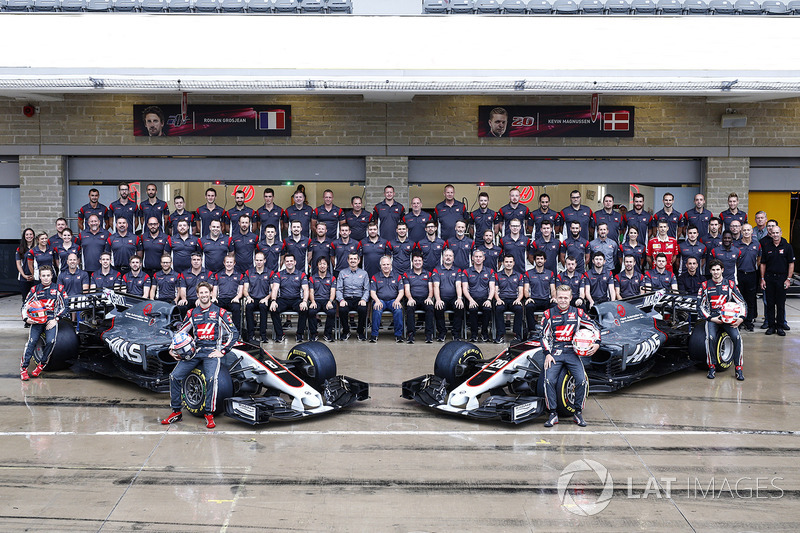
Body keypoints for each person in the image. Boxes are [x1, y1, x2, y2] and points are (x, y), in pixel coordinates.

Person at [161, 282, 239, 429]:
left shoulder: (219, 312)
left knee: (211, 379)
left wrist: (222, 350)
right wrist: (172, 348)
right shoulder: (192, 313)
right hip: (195, 351)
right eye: (200, 293)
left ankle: (209, 414)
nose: (203, 295)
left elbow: (234, 333)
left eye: (206, 292)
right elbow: (181, 333)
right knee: (174, 376)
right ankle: (176, 412)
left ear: (210, 294)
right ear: (197, 295)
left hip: (212, 351)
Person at [541, 285, 600, 427]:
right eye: (560, 297)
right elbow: (543, 336)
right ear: (555, 298)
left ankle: (578, 412)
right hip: (555, 352)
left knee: (582, 381)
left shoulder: (578, 313)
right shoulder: (548, 314)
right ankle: (553, 413)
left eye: (565, 298)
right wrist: (547, 354)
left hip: (572, 352)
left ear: (571, 298)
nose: (562, 300)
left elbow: (594, 327)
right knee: (548, 380)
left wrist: (597, 343)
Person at [698, 260, 746, 381]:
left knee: (737, 338)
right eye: (713, 270)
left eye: (718, 269)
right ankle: (712, 367)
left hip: (729, 319)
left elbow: (741, 302)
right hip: (713, 318)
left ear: (722, 270)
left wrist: (741, 318)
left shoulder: (730, 284)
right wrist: (711, 318)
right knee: (711, 338)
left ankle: (738, 368)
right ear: (710, 271)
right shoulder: (705, 286)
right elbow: (700, 306)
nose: (715, 272)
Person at [20, 265, 68, 380]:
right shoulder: (34, 290)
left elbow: (65, 307)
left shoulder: (59, 289)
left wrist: (56, 319)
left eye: (48, 275)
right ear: (40, 277)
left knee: (51, 341)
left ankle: (41, 365)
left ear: (52, 276)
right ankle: (24, 368)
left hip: (51, 319)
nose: (46, 278)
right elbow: (25, 306)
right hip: (36, 320)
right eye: (43, 276)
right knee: (32, 342)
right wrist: (27, 319)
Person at [760, 225, 794, 336]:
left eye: (777, 232)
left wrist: (788, 279)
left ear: (781, 233)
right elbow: (763, 264)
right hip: (769, 279)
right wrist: (762, 279)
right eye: (773, 233)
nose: (775, 235)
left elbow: (791, 264)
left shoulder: (787, 246)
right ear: (770, 233)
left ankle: (780, 326)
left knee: (780, 304)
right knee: (770, 304)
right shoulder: (766, 247)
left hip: (782, 279)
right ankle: (771, 326)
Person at [269, 253, 310, 343]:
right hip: (283, 299)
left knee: (304, 309)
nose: (289, 263)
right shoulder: (279, 274)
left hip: (296, 299)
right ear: (284, 262)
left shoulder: (301, 274)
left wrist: (304, 301)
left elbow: (306, 289)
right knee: (273, 309)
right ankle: (280, 334)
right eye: (287, 261)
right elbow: (275, 288)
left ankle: (299, 334)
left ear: (295, 262)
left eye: (291, 261)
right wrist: (273, 301)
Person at [462, 248, 495, 343]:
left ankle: (485, 333)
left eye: (480, 257)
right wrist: (471, 300)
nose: (478, 259)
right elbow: (465, 288)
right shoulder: (466, 272)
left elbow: (492, 288)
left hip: (485, 298)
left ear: (484, 258)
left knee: (487, 309)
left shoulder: (490, 271)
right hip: (471, 298)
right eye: (476, 257)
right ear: (472, 258)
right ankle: (474, 334)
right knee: (473, 309)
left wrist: (489, 300)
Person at [370, 255, 405, 343]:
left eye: (388, 264)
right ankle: (374, 335)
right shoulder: (375, 277)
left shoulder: (397, 276)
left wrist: (397, 300)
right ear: (380, 266)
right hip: (380, 300)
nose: (386, 266)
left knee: (398, 310)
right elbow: (372, 292)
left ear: (391, 265)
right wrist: (377, 301)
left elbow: (401, 291)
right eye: (384, 264)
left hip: (393, 300)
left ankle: (398, 335)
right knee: (377, 309)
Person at [336, 252, 370, 341]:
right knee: (342, 309)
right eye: (351, 259)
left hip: (359, 298)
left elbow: (367, 289)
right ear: (348, 260)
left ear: (358, 260)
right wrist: (341, 300)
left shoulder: (364, 273)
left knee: (363, 309)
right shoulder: (342, 273)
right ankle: (346, 331)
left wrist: (363, 299)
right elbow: (339, 289)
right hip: (346, 298)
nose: (353, 261)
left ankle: (360, 331)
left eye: (355, 259)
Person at [433, 248, 465, 342]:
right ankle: (442, 333)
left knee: (459, 307)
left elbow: (458, 285)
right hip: (441, 297)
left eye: (450, 256)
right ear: (443, 258)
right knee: (438, 308)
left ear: (453, 258)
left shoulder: (458, 270)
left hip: (454, 298)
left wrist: (459, 298)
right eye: (446, 255)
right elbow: (436, 286)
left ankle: (456, 334)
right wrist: (438, 299)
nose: (448, 258)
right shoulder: (437, 270)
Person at [403, 251, 435, 344]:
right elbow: (407, 289)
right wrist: (409, 298)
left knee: (430, 308)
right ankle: (411, 334)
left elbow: (431, 289)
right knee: (409, 308)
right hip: (413, 298)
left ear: (422, 262)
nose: (417, 262)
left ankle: (429, 335)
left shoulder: (428, 274)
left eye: (419, 261)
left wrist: (429, 298)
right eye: (415, 261)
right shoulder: (407, 274)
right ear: (412, 262)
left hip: (425, 298)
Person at [493, 254, 525, 343]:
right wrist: (498, 299)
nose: (508, 264)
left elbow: (521, 291)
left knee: (519, 309)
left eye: (510, 262)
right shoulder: (497, 275)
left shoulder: (519, 276)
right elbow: (495, 290)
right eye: (506, 262)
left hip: (514, 299)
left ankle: (517, 334)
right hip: (502, 299)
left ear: (514, 263)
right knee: (498, 309)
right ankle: (500, 334)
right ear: (503, 263)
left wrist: (518, 300)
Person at [524, 250, 556, 337]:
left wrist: (553, 297)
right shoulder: (528, 273)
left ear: (545, 260)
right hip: (534, 300)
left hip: (546, 300)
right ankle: (532, 331)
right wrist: (528, 298)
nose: (539, 260)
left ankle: (552, 331)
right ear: (534, 260)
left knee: (554, 305)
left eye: (541, 259)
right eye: (537, 259)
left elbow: (553, 289)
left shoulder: (550, 273)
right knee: (528, 306)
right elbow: (526, 289)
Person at [243, 251, 273, 343]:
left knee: (263, 307)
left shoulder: (270, 273)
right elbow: (245, 289)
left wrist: (267, 298)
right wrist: (248, 297)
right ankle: (250, 335)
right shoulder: (248, 272)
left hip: (264, 298)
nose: (259, 262)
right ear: (254, 261)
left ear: (264, 261)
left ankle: (263, 335)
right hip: (252, 298)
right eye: (257, 260)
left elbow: (273, 290)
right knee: (249, 307)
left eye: (261, 260)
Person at [736, 224, 761, 331]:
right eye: (744, 230)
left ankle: (749, 321)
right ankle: (740, 320)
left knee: (751, 299)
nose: (746, 232)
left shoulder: (757, 244)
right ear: (741, 232)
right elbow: (735, 261)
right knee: (739, 299)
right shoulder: (736, 244)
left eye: (748, 230)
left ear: (752, 232)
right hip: (740, 274)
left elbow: (759, 259)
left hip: (752, 274)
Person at [308, 256, 337, 342]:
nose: (322, 266)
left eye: (324, 264)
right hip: (316, 300)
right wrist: (312, 301)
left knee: (331, 311)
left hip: (327, 300)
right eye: (320, 264)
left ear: (327, 266)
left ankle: (327, 334)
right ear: (317, 265)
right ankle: (314, 334)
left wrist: (330, 301)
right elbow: (311, 292)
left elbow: (333, 292)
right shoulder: (312, 278)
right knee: (311, 311)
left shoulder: (332, 278)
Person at [213, 255, 244, 331]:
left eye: (231, 262)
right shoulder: (218, 275)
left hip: (233, 299)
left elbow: (241, 291)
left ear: (234, 263)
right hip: (221, 299)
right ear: (224, 263)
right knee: (213, 307)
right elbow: (215, 289)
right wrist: (214, 297)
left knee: (236, 308)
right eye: (227, 262)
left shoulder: (240, 275)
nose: (229, 264)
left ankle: (236, 332)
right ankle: (215, 331)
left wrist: (237, 297)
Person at [16, 228, 36, 302]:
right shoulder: (19, 249)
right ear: (24, 236)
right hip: (24, 278)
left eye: (31, 234)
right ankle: (25, 313)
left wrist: (34, 275)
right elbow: (18, 264)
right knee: (25, 299)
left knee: (35, 299)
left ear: (33, 236)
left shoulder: (37, 248)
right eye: (27, 234)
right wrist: (24, 275)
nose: (29, 236)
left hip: (35, 277)